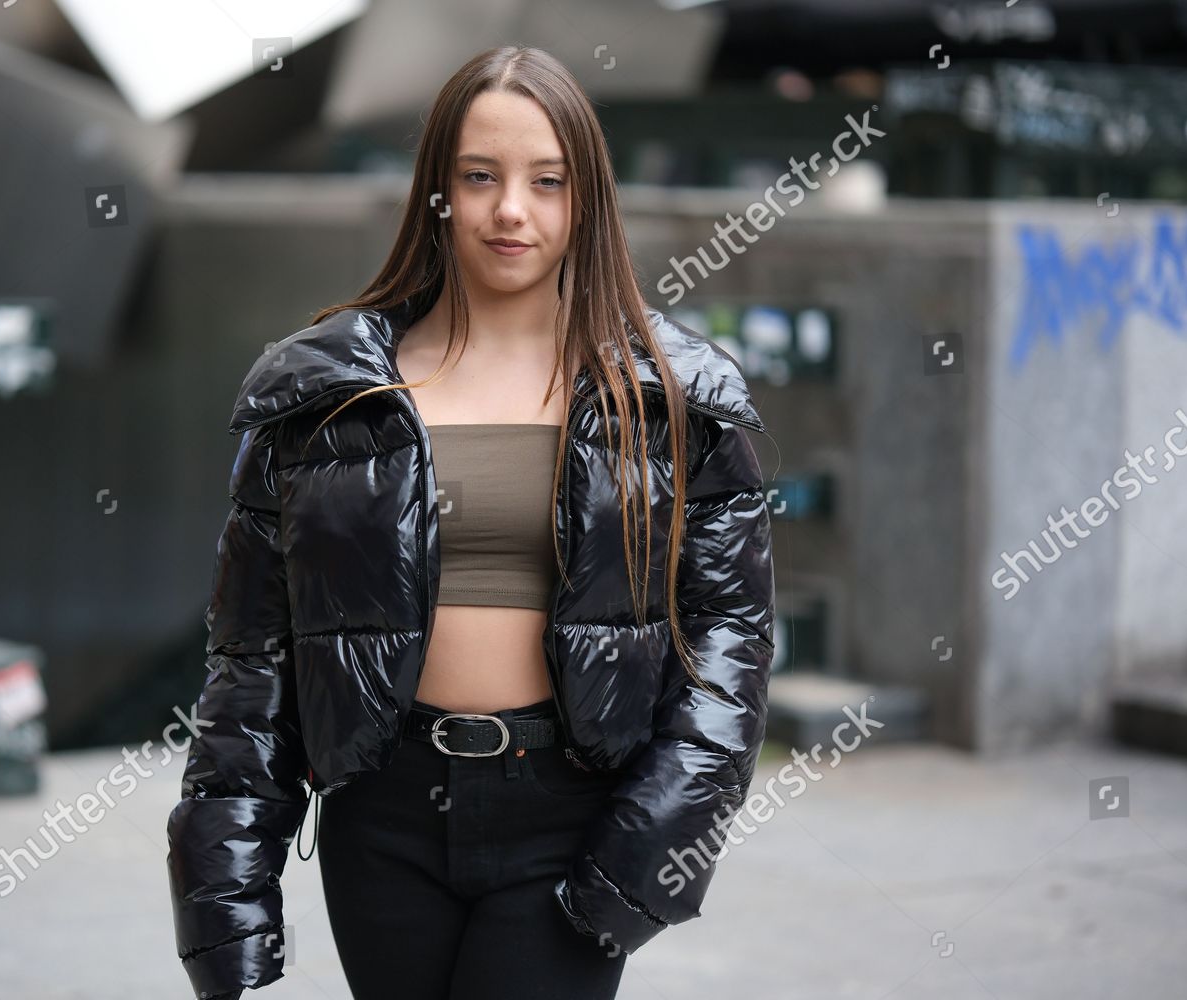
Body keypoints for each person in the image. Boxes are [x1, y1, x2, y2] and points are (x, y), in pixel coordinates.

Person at [167, 44, 776, 1000]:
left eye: (547, 180)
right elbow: (255, 655)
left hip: (572, 815)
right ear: (439, 192)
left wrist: (655, 840)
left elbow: (730, 638)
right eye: (480, 176)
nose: (511, 210)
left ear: (587, 200)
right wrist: (224, 893)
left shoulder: (676, 400)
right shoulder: (323, 392)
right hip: (384, 816)